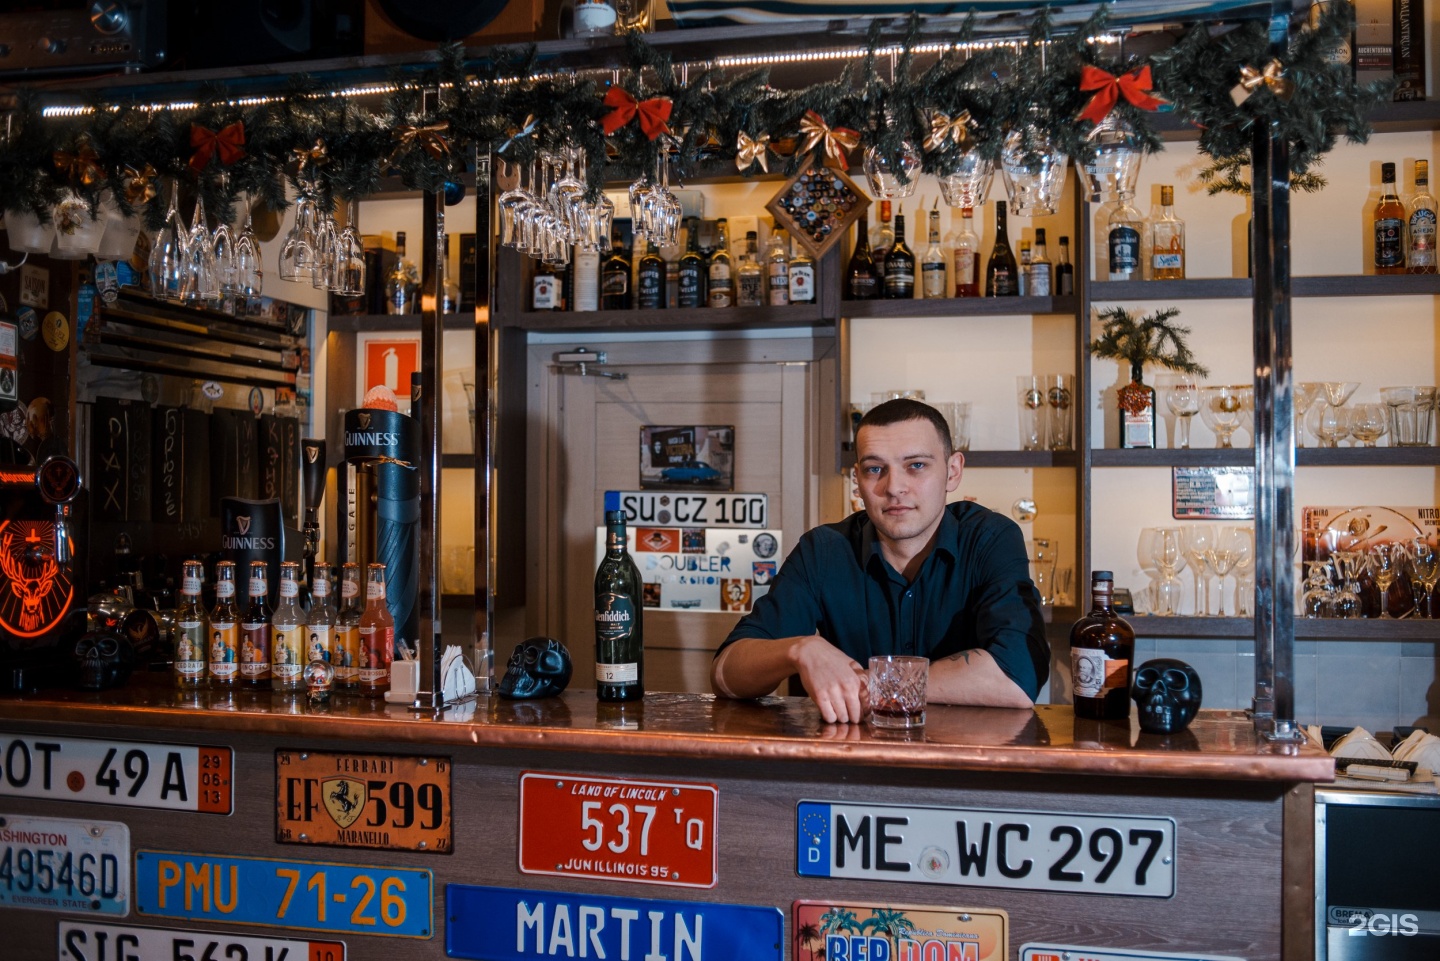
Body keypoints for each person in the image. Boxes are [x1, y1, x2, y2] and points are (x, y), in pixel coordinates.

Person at [711, 398, 1048, 723]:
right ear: (857, 480)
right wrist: (800, 649)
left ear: (953, 472)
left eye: (916, 465)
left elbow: (1017, 677)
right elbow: (725, 674)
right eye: (875, 469)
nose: (894, 487)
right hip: (847, 769)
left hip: (964, 767)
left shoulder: (990, 538)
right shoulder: (824, 550)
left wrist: (872, 685)